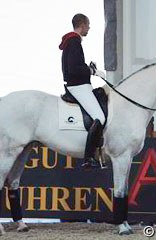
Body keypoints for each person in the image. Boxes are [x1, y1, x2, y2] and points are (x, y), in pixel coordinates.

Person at [59, 13, 106, 168]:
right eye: (88, 25)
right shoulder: (73, 41)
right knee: (100, 117)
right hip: (78, 86)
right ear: (82, 25)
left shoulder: (71, 41)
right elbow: (73, 69)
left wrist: (88, 68)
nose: (89, 28)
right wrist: (91, 71)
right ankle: (88, 157)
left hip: (78, 85)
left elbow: (76, 66)